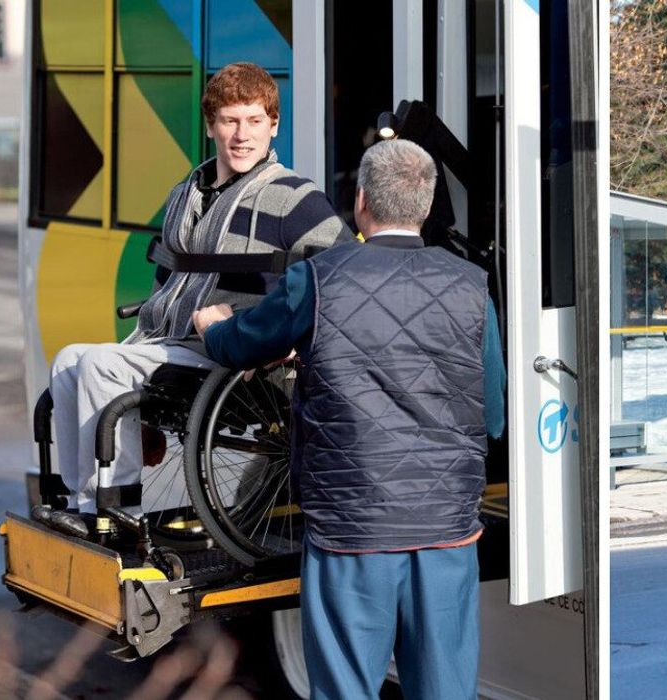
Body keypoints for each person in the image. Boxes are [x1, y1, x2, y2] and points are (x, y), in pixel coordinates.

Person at [192, 138, 505, 700]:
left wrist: (214, 327)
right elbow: (495, 415)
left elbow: (244, 343)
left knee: (344, 689)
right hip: (446, 531)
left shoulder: (319, 278)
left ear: (360, 200)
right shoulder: (470, 287)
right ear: (427, 206)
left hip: (350, 529)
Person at [44, 62, 353, 537]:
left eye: (254, 121)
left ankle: (119, 508)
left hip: (235, 355)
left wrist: (297, 339)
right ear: (211, 126)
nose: (242, 135)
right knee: (69, 361)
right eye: (230, 121)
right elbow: (166, 283)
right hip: (170, 343)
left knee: (102, 365)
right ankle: (84, 500)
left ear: (274, 125)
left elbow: (346, 273)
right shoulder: (185, 193)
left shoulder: (295, 198)